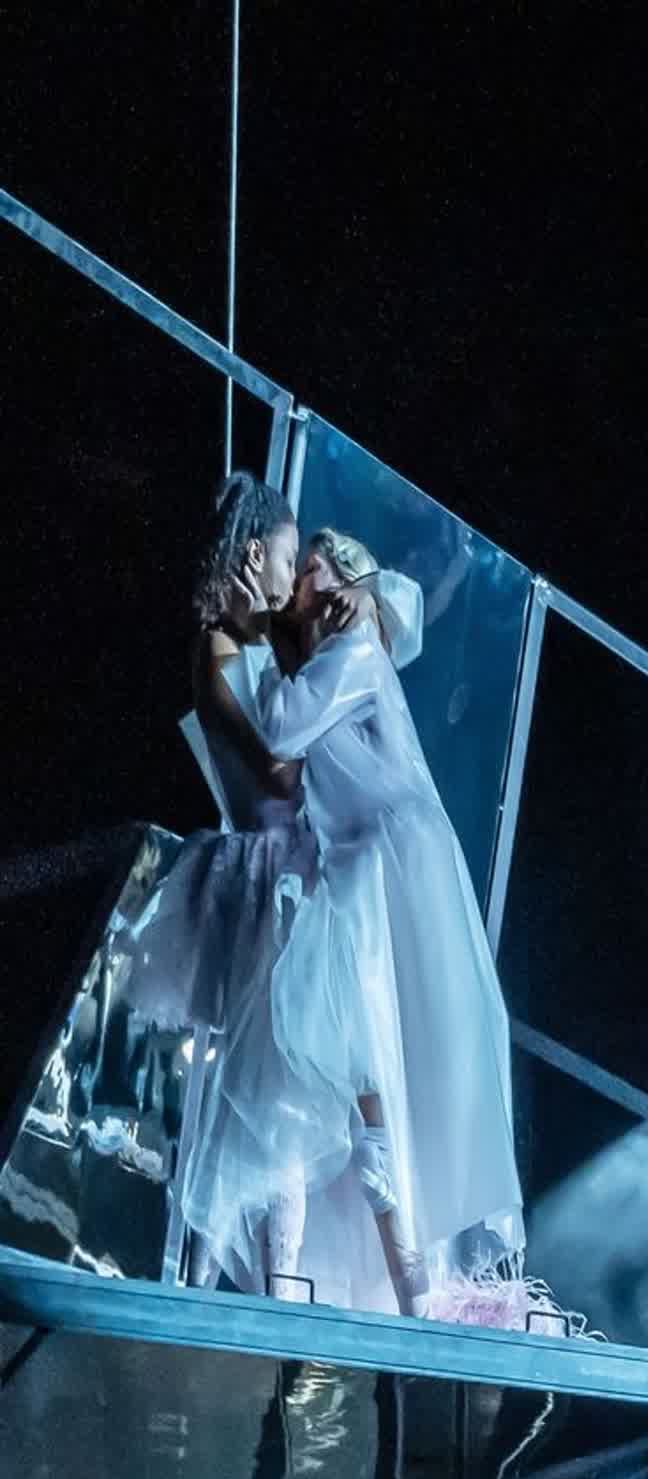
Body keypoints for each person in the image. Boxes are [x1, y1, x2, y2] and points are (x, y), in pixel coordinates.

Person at [117, 477, 393, 1312]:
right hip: (263, 885)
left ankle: (272, 1291)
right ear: (251, 555)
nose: (293, 570)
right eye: (285, 553)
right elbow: (275, 769)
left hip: (295, 881)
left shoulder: (260, 643)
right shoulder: (219, 650)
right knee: (260, 1101)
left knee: (295, 1099)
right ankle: (217, 1292)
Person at [252, 528, 524, 1301]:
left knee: (392, 1058)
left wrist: (253, 640)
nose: (297, 580)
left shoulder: (356, 653)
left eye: (309, 568)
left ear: (341, 581)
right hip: (370, 860)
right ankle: (409, 1281)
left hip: (390, 861)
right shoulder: (334, 657)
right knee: (377, 1063)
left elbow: (279, 727)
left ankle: (421, 1281)